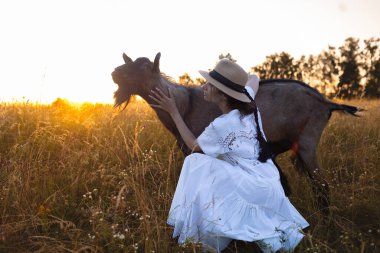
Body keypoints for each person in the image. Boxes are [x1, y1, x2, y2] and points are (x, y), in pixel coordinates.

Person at [149, 59, 309, 252]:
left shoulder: (222, 125)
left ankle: (206, 226)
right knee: (215, 162)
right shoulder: (249, 102)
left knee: (196, 161)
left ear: (223, 95)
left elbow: (193, 145)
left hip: (253, 186)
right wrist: (238, 81)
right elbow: (254, 79)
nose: (203, 86)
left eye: (210, 84)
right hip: (268, 181)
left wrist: (174, 112)